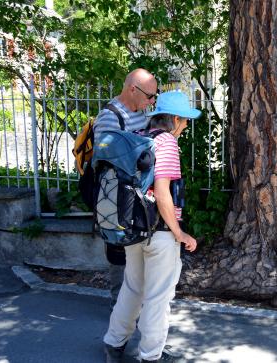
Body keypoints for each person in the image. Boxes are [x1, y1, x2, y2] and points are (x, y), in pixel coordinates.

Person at [103, 91, 200, 363]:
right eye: (185, 121)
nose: (185, 127)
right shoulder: (167, 142)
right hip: (160, 232)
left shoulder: (141, 136)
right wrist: (179, 232)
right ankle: (151, 356)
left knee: (132, 289)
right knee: (158, 298)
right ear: (176, 119)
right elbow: (162, 191)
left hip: (134, 228)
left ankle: (113, 344)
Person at [93, 68, 158, 309]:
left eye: (155, 97)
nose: (152, 102)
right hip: (117, 197)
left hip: (138, 195)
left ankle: (133, 304)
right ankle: (118, 306)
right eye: (149, 96)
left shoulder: (141, 113)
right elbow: (106, 160)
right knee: (118, 248)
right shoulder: (109, 117)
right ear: (132, 89)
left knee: (138, 248)